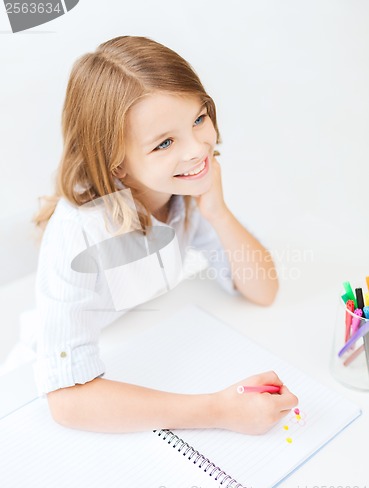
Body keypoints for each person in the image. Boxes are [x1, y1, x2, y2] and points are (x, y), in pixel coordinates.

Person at [33, 35, 298, 435]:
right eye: (165, 143)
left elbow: (264, 291)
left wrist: (218, 212)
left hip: (147, 330)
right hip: (87, 361)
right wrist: (218, 411)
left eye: (198, 119)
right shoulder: (78, 230)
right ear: (117, 164)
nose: (197, 150)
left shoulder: (185, 188)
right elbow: (67, 401)